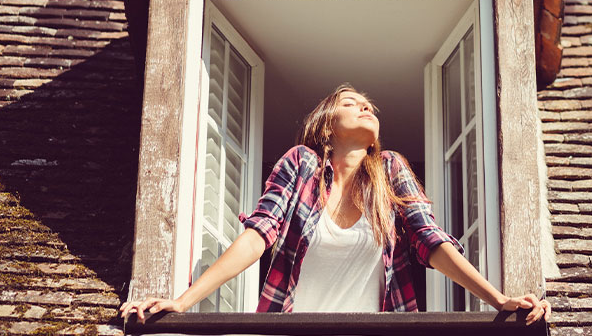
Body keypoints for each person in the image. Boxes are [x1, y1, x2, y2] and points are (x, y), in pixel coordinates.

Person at [120, 84, 552, 325]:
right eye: (351, 103)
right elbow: (258, 237)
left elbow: (430, 242)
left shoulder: (389, 169)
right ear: (327, 126)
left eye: (369, 105)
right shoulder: (302, 164)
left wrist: (498, 300)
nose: (365, 106)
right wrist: (183, 301)